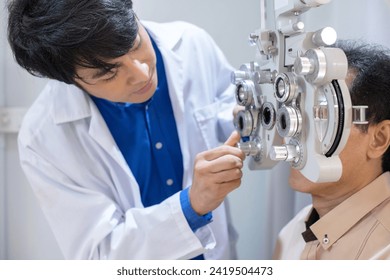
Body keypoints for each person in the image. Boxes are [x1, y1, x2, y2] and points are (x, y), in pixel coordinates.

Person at [7, 0, 245, 260]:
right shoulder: (43, 139)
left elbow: (227, 113)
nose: (142, 74)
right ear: (68, 79)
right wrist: (192, 205)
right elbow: (100, 254)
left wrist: (248, 123)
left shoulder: (191, 45)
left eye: (135, 44)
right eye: (107, 73)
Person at [273, 39, 390, 260]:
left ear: (379, 139)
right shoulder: (289, 235)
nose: (295, 134)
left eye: (322, 117)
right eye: (296, 115)